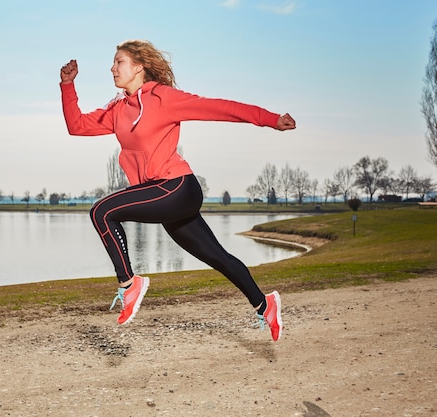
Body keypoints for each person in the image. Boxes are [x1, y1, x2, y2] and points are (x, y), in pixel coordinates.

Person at [59, 40, 296, 341]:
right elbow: (77, 125)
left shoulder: (163, 98)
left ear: (139, 67)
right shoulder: (118, 109)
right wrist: (68, 86)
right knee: (218, 258)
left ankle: (129, 284)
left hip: (178, 188)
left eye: (118, 62)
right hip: (161, 195)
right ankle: (265, 304)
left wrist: (270, 119)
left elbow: (219, 108)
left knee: (102, 211)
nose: (112, 68)